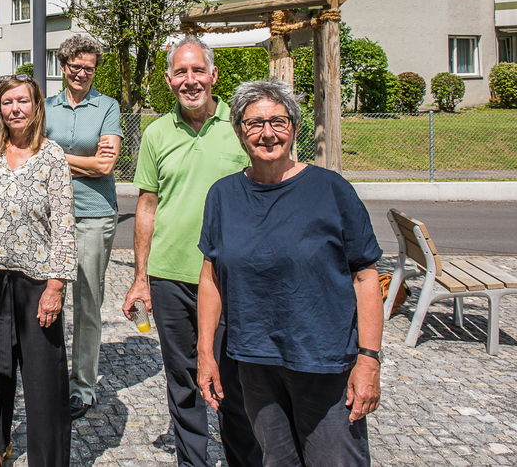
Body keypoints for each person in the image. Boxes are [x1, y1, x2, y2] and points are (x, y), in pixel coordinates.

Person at [197, 79, 384, 467]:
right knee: (276, 461)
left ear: (295, 128)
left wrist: (368, 359)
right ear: (239, 132)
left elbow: (366, 277)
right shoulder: (223, 196)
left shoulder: (330, 190)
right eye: (254, 124)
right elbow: (211, 278)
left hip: (325, 362)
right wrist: (205, 354)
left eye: (278, 122)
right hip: (254, 361)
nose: (268, 133)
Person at [121, 36, 261, 467]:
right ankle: (192, 461)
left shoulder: (240, 129)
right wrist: (141, 277)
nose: (190, 80)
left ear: (214, 75)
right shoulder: (156, 133)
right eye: (180, 72)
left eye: (197, 70)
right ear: (168, 80)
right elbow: (147, 206)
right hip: (170, 277)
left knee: (236, 380)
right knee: (182, 380)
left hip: (230, 278)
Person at [0, 74, 77, 467]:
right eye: (7, 102)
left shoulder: (53, 157)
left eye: (22, 102)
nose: (15, 109)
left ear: (36, 106)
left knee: (43, 375)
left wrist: (56, 285)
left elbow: (64, 225)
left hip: (35, 280)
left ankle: (48, 459)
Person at [43, 35, 122, 419]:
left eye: (88, 67)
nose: (81, 73)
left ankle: (83, 387)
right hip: (49, 215)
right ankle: (48, 376)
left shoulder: (107, 107)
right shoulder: (45, 106)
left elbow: (106, 166)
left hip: (93, 213)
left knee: (88, 303)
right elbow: (31, 154)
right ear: (63, 66)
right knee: (45, 298)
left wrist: (54, 155)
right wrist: (83, 160)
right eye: (75, 66)